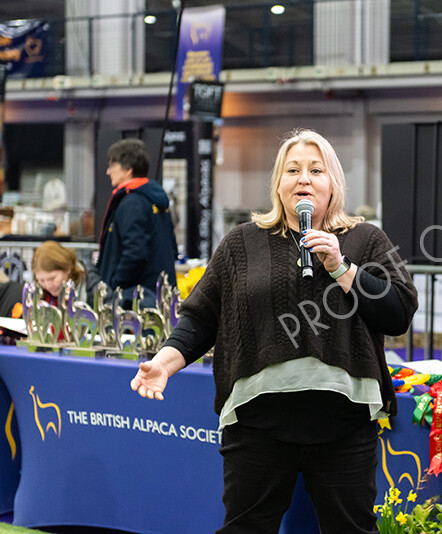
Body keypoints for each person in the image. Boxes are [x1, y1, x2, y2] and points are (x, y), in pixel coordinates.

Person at [130, 128, 418, 534]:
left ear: (332, 183)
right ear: (277, 184)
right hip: (257, 423)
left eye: (316, 170)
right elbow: (201, 318)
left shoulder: (365, 240)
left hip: (343, 423)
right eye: (292, 170)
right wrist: (164, 361)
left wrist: (342, 267)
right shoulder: (240, 244)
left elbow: (399, 312)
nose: (304, 179)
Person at [93, 138, 177, 308]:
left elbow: (135, 253)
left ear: (128, 170)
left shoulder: (132, 202)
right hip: (157, 296)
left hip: (135, 301)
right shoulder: (155, 199)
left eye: (112, 166)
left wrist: (115, 286)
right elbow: (172, 247)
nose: (108, 171)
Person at [32, 240, 86, 305]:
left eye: (52, 278)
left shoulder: (88, 290)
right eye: (41, 280)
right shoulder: (37, 294)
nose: (48, 286)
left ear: (67, 269)